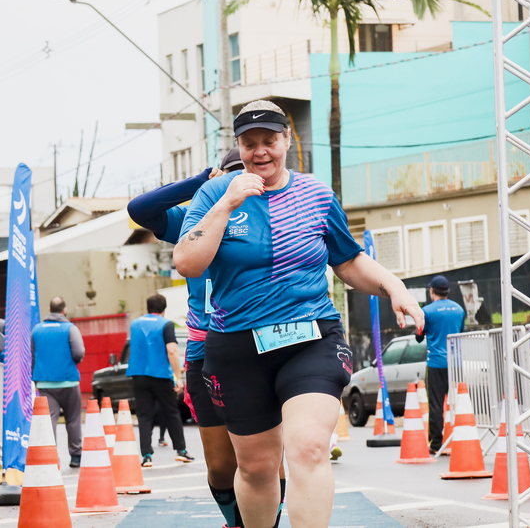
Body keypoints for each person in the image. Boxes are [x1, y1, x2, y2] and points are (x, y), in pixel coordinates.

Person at [173, 100, 425, 528]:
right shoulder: (215, 194)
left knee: (308, 447)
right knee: (255, 468)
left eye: (269, 141)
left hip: (310, 337)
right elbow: (188, 262)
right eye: (250, 144)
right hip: (236, 345)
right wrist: (225, 205)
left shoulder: (316, 194)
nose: (261, 152)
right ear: (239, 146)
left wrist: (394, 287)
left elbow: (347, 261)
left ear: (287, 140)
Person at [129, 150, 287, 528]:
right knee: (220, 465)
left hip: (261, 345)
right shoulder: (194, 219)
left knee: (267, 460)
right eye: (235, 174)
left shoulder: (276, 216)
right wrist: (201, 181)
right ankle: (236, 520)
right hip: (206, 350)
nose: (243, 181)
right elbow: (140, 209)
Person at [126, 294, 194, 466]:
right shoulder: (166, 324)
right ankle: (181, 451)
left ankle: (147, 455)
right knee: (171, 412)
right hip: (161, 375)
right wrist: (178, 377)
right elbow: (172, 351)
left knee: (144, 415)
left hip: (138, 375)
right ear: (164, 309)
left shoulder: (135, 324)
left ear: (148, 307)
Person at [31, 297, 86, 468]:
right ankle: (76, 456)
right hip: (69, 381)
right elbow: (79, 353)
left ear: (50, 309)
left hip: (45, 383)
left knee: (50, 421)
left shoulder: (37, 330)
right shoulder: (70, 329)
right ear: (64, 310)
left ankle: (51, 459)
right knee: (73, 420)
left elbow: (32, 355)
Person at [415, 275, 465, 454]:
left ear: (432, 291)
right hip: (456, 364)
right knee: (460, 403)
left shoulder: (427, 311)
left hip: (436, 363)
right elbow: (461, 331)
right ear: (448, 291)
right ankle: (463, 438)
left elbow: (419, 336)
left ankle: (436, 444)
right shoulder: (459, 309)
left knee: (436, 405)